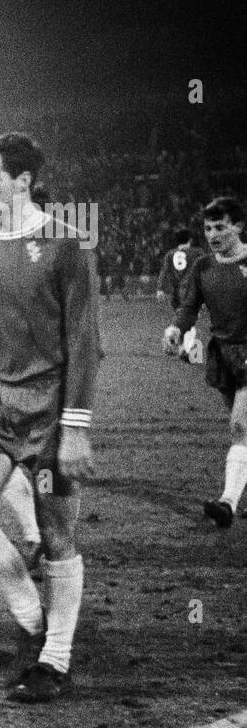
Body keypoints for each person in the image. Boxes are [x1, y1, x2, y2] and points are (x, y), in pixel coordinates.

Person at [0, 132, 99, 704]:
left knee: (57, 536)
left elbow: (84, 341)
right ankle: (33, 617)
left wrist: (76, 427)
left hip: (52, 412)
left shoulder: (67, 243)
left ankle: (56, 658)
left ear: (24, 181)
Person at [163, 197, 247, 527]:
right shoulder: (204, 266)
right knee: (244, 430)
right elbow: (189, 307)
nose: (213, 234)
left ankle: (226, 503)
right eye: (208, 228)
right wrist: (175, 328)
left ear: (238, 226)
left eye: (220, 227)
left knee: (240, 427)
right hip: (225, 354)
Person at [157, 227, 207, 359]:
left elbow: (164, 272)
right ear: (190, 239)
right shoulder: (197, 252)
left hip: (176, 293)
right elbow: (205, 268)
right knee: (188, 319)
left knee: (186, 319)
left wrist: (160, 289)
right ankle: (171, 336)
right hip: (191, 291)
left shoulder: (170, 254)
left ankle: (183, 349)